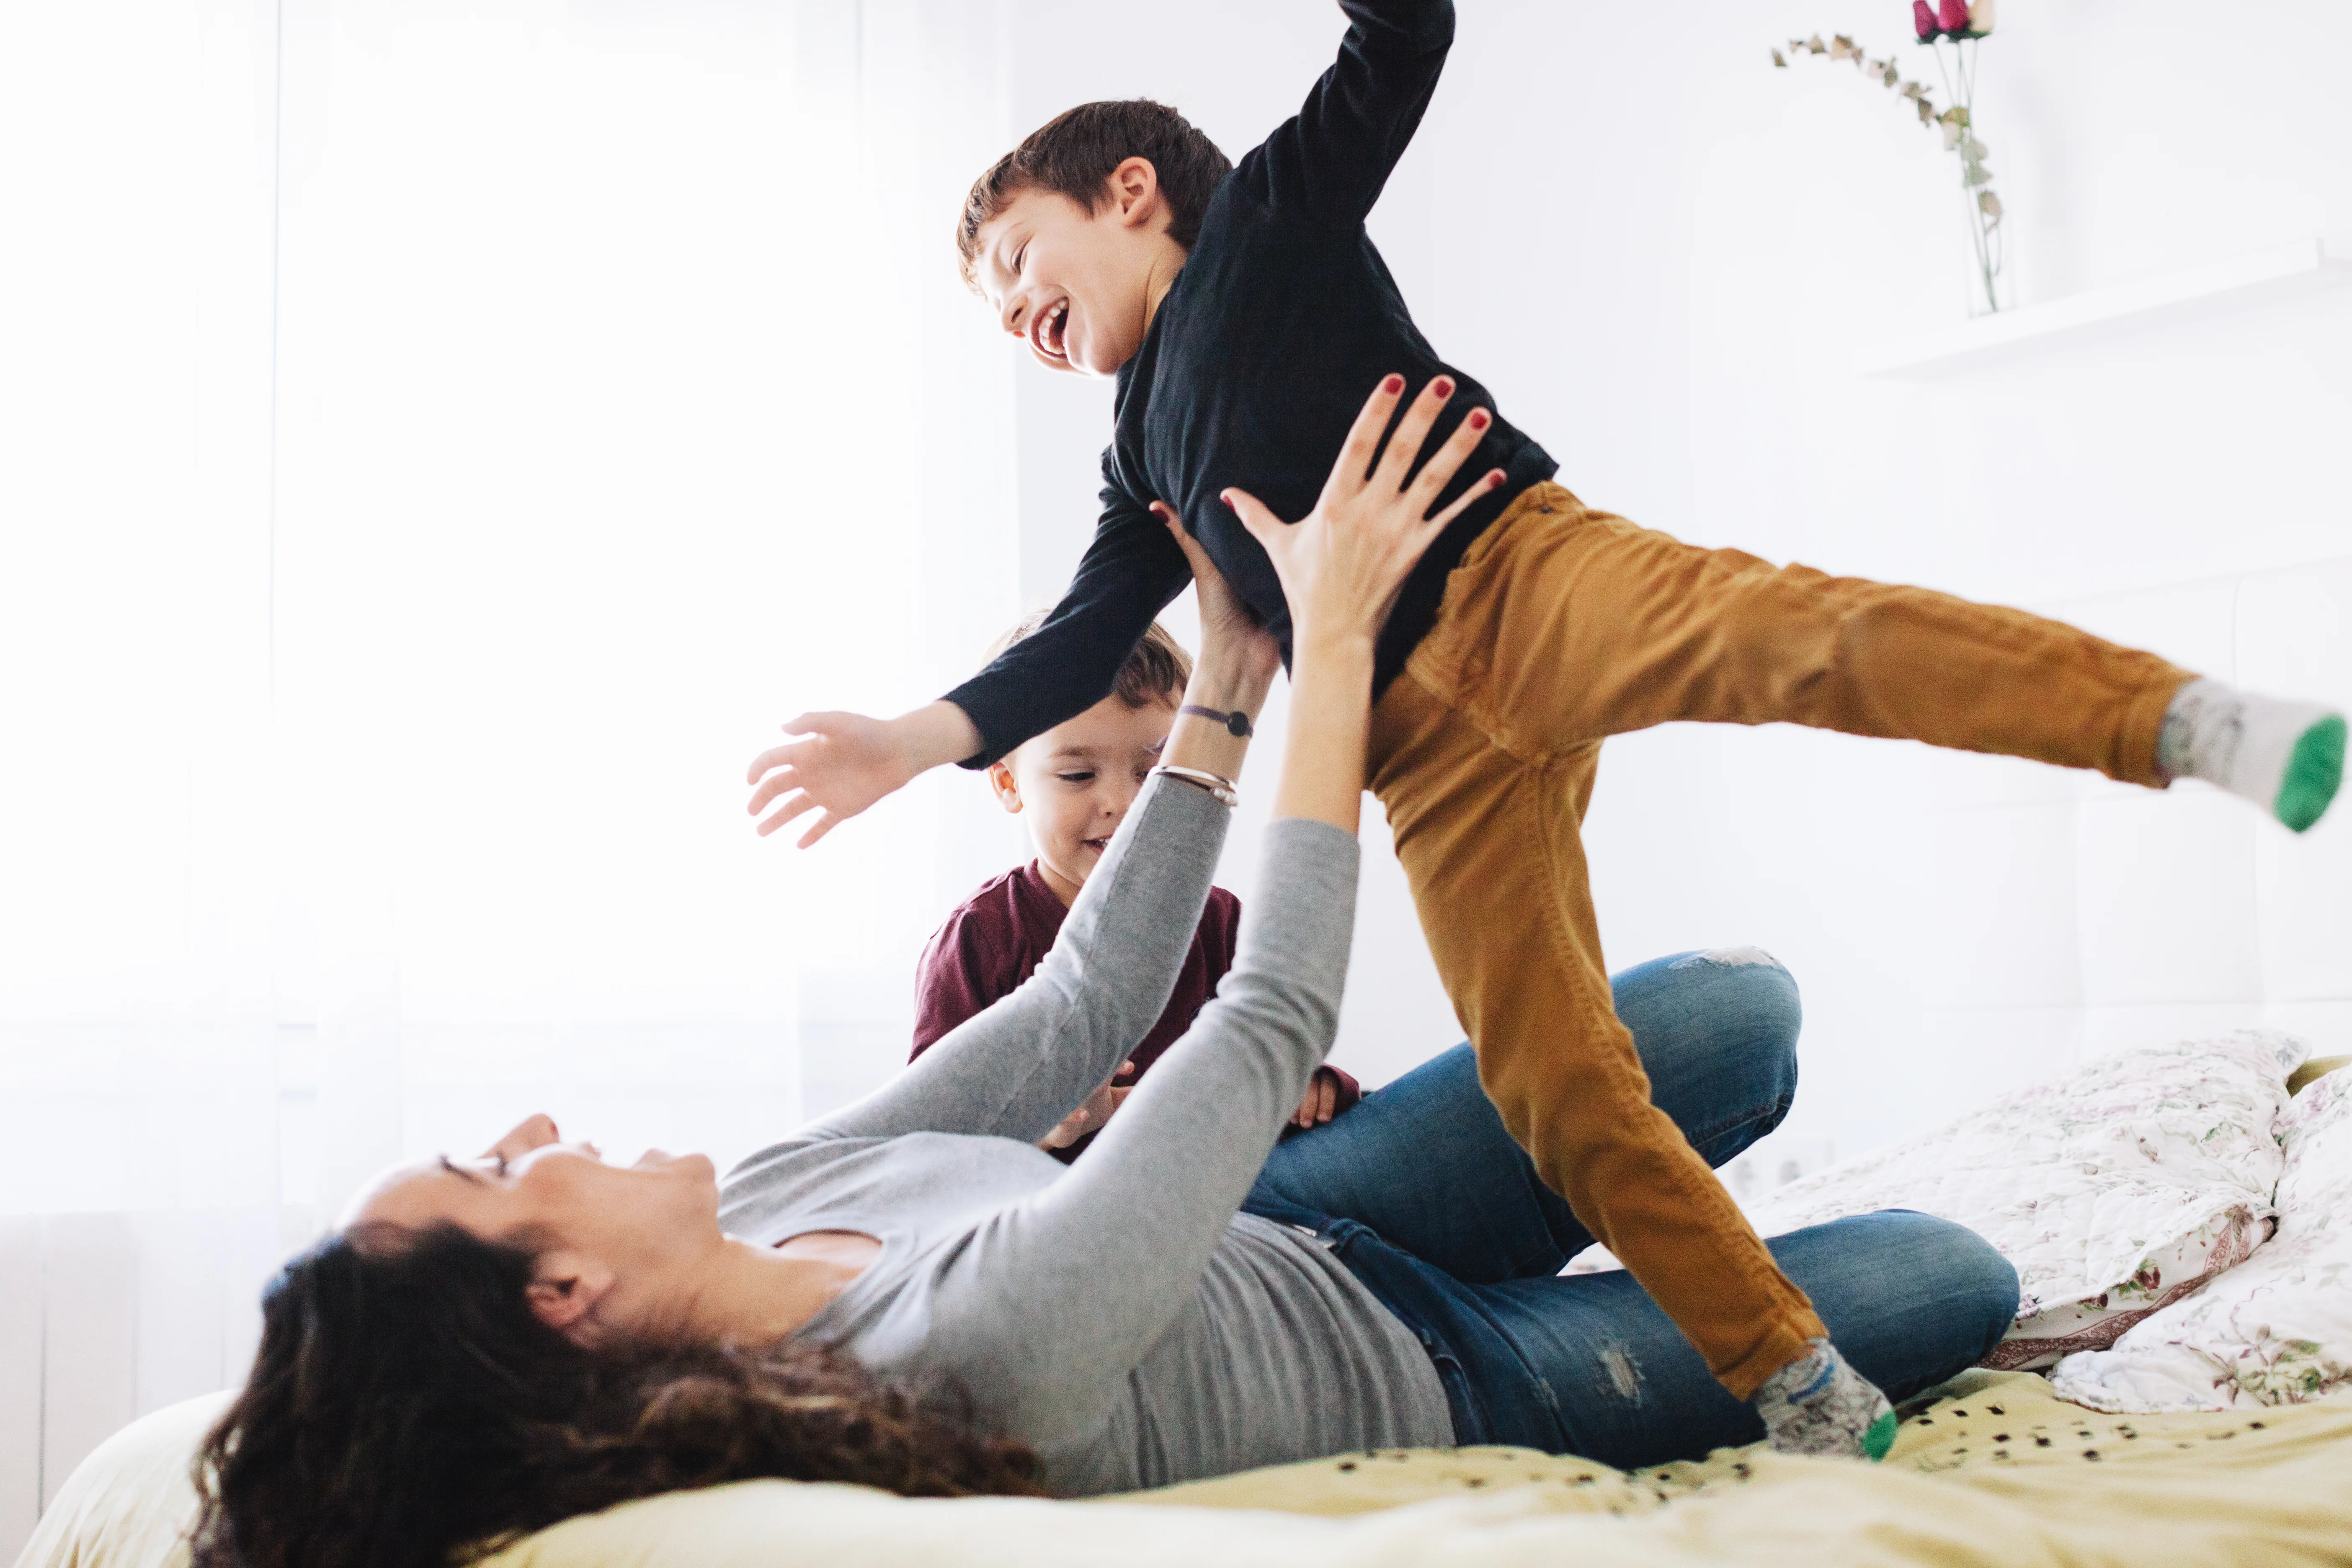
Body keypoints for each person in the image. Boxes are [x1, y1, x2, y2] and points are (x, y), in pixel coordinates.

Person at [740, 0, 2345, 1452]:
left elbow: (1401, 43)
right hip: (1416, 756)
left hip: (1521, 580)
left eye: (1019, 261)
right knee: (1554, 1086)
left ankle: (2184, 723)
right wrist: (901, 743)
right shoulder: (1133, 449)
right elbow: (1090, 631)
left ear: (1132, 195)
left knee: (1802, 642)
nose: (1007, 307)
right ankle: (1792, 1374)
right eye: (987, 304)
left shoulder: (1275, 222)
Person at [197, 383, 2016, 1568]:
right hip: (1445, 1366)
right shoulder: (945, 1363)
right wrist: (1340, 642)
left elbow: (1074, 1016)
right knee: (1954, 1279)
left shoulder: (765, 1193)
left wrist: (1224, 676)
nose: (531, 1128)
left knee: (1734, 1015)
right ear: (565, 1295)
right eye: (498, 1172)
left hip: (1301, 1214)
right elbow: (1268, 1018)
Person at [915, 612, 1358, 1162]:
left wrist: (1312, 1084)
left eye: (1154, 774)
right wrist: (1048, 1126)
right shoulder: (978, 941)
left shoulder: (1218, 923)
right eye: (1078, 776)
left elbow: (1270, 1060)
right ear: (1008, 784)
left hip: (1217, 1197)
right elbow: (930, 1140)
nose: (1124, 805)